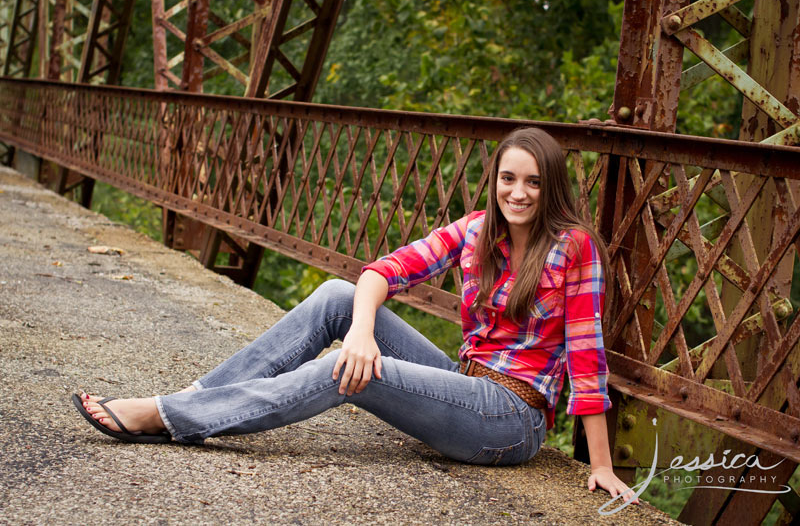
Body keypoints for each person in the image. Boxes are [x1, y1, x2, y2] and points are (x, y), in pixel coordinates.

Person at [73, 127, 637, 503]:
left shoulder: (574, 247)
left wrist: (602, 463)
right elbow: (381, 272)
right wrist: (364, 329)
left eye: (533, 181)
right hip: (466, 383)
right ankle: (196, 399)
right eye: (508, 178)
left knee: (345, 370)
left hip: (511, 418)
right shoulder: (476, 231)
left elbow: (586, 357)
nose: (518, 192)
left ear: (551, 186)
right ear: (495, 181)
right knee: (336, 297)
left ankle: (169, 416)